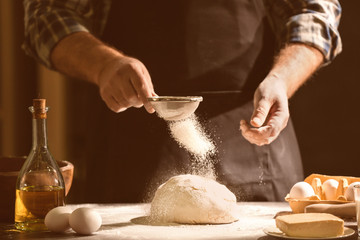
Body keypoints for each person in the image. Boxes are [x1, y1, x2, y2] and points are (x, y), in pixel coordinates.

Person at [23, 0, 342, 202]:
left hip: (256, 139)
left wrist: (282, 80)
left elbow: (315, 10)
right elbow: (46, 14)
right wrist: (104, 64)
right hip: (131, 147)